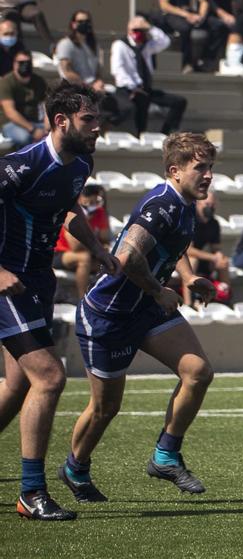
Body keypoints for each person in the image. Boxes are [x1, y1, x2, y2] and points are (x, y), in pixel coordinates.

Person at [64, 132, 219, 500]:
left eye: (210, 167)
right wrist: (157, 290)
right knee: (106, 408)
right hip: (108, 314)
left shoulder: (181, 204)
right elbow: (130, 258)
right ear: (174, 170)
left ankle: (165, 455)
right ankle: (75, 468)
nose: (209, 175)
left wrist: (187, 276)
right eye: (201, 168)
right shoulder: (162, 204)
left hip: (144, 310)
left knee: (198, 372)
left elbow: (170, 245)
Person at [0, 88, 116, 520]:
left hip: (36, 282)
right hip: (5, 283)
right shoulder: (19, 165)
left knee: (18, 385)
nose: (98, 126)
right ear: (60, 121)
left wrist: (98, 249)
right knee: (49, 377)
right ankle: (31, 493)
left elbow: (68, 209)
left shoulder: (83, 162)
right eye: (88, 119)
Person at [108, 16, 187, 134]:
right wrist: (134, 87)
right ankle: (138, 133)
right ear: (129, 30)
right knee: (138, 103)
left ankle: (165, 133)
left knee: (179, 102)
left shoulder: (146, 46)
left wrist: (149, 27)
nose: (139, 33)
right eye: (136, 30)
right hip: (128, 89)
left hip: (145, 89)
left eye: (142, 31)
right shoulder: (120, 45)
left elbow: (164, 41)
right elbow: (117, 70)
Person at [56, 180, 110, 293]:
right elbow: (75, 246)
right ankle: (82, 298)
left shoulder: (99, 212)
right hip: (61, 253)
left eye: (95, 202)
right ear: (80, 198)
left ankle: (101, 296)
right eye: (89, 201)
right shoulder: (72, 211)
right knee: (84, 258)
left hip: (91, 253)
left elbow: (105, 239)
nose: (92, 205)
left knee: (110, 261)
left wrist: (103, 248)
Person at [0, 48, 47, 148]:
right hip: (11, 123)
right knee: (24, 138)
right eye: (21, 62)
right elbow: (10, 112)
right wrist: (33, 130)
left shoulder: (39, 81)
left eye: (27, 62)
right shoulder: (6, 82)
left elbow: (46, 105)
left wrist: (48, 125)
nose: (24, 65)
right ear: (14, 64)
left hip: (35, 121)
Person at [54, 11, 107, 95]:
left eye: (87, 21)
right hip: (73, 90)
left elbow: (97, 71)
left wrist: (99, 82)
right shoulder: (65, 44)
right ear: (73, 24)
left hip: (93, 90)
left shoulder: (94, 45)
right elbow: (67, 71)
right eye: (80, 22)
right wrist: (88, 86)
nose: (84, 24)